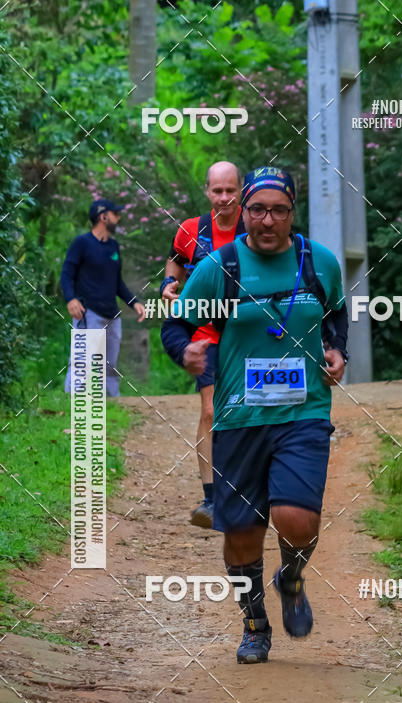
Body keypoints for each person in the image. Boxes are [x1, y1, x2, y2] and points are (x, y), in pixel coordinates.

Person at [161, 166, 349, 664]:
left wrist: (335, 349)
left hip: (303, 411)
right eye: (258, 210)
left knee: (296, 517)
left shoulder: (317, 262)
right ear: (243, 212)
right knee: (242, 531)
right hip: (238, 416)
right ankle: (254, 622)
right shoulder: (221, 266)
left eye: (279, 210)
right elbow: (175, 324)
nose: (268, 220)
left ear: (292, 213)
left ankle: (290, 575)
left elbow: (336, 310)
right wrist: (186, 353)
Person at [160, 161, 246, 528]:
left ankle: (250, 493)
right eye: (217, 191)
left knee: (248, 412)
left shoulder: (256, 223)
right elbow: (175, 261)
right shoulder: (192, 230)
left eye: (230, 190)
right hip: (205, 333)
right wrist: (167, 284)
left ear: (241, 188)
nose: (224, 198)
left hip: (250, 335)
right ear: (207, 191)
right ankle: (212, 500)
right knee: (211, 411)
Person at [61, 198, 145, 397]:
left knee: (109, 364)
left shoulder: (113, 247)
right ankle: (76, 400)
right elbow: (66, 273)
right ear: (103, 216)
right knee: (83, 360)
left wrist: (135, 303)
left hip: (111, 315)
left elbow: (117, 283)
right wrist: (70, 299)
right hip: (88, 311)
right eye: (115, 214)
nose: (119, 218)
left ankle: (111, 402)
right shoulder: (82, 243)